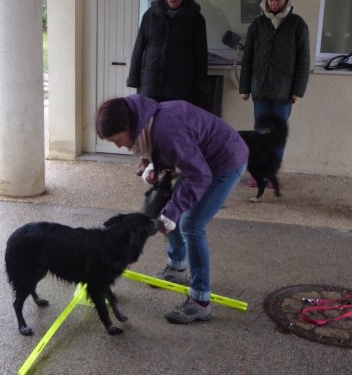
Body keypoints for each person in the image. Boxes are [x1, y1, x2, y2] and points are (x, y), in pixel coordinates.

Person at [96, 94, 248, 324]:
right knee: (171, 210)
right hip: (203, 162)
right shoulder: (148, 120)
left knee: (190, 224)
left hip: (225, 162)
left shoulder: (165, 129)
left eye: (118, 139)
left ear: (131, 126)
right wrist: (156, 166)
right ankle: (177, 268)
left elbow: (199, 174)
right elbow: (175, 152)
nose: (120, 146)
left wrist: (173, 212)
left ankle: (200, 301)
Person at [126, 0, 208, 176]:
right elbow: (139, 46)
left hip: (179, 82)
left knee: (172, 125)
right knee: (146, 123)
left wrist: (200, 84)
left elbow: (201, 54)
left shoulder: (196, 18)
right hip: (151, 79)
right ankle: (145, 159)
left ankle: (168, 163)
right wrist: (134, 78)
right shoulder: (150, 15)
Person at [239, 0, 310, 186]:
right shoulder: (257, 25)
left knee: (277, 134)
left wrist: (298, 90)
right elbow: (248, 58)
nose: (275, 2)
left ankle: (271, 172)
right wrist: (244, 87)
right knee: (259, 134)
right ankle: (257, 173)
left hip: (284, 92)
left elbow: (304, 59)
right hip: (260, 90)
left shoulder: (298, 25)